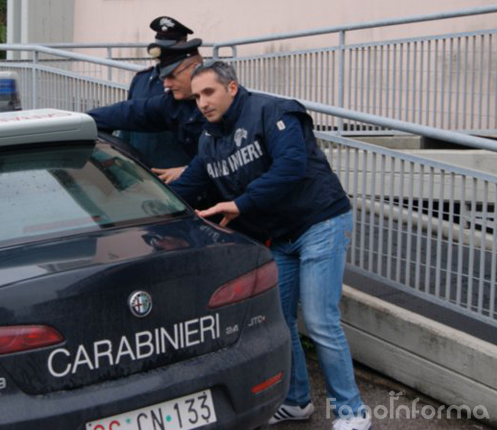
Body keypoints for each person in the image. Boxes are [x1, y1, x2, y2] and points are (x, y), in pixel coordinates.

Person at [170, 61, 371, 430]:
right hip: (281, 237)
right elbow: (186, 187)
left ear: (232, 87)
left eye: (209, 92)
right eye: (197, 95)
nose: (202, 102)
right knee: (279, 322)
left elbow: (291, 166)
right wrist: (143, 205)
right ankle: (296, 401)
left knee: (320, 321)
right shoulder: (210, 140)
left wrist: (241, 203)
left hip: (320, 223)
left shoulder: (272, 111)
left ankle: (352, 411)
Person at [87, 24, 206, 184]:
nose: (166, 85)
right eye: (164, 78)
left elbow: (225, 154)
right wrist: (80, 121)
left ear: (194, 68)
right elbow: (129, 113)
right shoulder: (171, 103)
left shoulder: (226, 101)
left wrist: (188, 170)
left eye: (172, 76)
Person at [120, 16, 195, 170]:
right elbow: (127, 126)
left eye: (171, 48)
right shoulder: (141, 79)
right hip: (140, 174)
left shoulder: (194, 82)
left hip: (176, 175)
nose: (164, 53)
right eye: (162, 48)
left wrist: (188, 169)